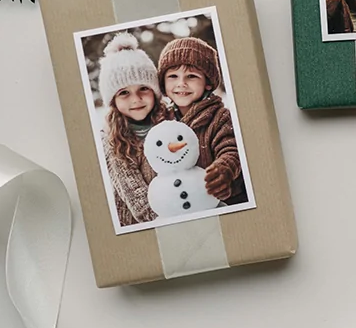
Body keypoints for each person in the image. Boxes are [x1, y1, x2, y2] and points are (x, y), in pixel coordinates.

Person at [156, 36, 246, 205]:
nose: (181, 84)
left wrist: (223, 171)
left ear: (208, 83)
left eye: (191, 76)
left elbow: (230, 149)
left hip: (222, 199)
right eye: (173, 76)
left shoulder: (220, 116)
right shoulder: (162, 119)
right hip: (182, 201)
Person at [96, 32, 171, 226]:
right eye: (124, 93)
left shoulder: (169, 119)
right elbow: (137, 199)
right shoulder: (112, 140)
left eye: (143, 89)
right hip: (146, 223)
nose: (136, 99)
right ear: (113, 100)